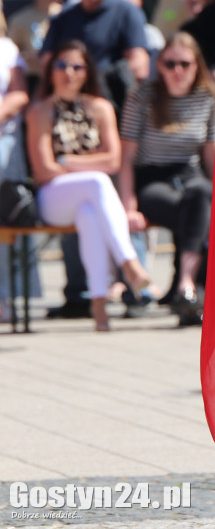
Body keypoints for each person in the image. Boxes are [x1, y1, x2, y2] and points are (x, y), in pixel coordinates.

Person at [39, 0, 150, 318]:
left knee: (119, 196)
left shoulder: (126, 13)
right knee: (89, 202)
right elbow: (44, 61)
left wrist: (93, 84)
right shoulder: (64, 19)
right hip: (65, 121)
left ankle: (134, 293)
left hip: (115, 115)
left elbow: (139, 65)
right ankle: (81, 293)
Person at [25, 40, 151, 331]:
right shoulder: (39, 111)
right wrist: (85, 163)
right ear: (51, 71)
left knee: (90, 214)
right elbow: (44, 170)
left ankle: (98, 302)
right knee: (97, 181)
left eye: (76, 66)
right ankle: (130, 263)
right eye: (61, 65)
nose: (69, 72)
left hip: (88, 197)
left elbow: (114, 160)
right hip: (52, 198)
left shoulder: (101, 107)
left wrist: (66, 161)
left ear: (87, 71)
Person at [118, 32, 215, 326]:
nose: (178, 71)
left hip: (190, 174)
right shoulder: (142, 97)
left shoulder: (207, 97)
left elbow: (209, 156)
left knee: (202, 196)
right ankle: (189, 289)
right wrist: (128, 206)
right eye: (170, 63)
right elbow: (126, 159)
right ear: (159, 66)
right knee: (194, 215)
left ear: (196, 66)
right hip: (151, 177)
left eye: (185, 64)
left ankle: (185, 282)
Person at [40, 0, 150, 110]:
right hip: (71, 108)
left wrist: (99, 83)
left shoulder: (127, 13)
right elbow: (47, 63)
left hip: (115, 106)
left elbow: (140, 65)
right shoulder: (62, 18)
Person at [0, 2, 33, 324]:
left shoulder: (8, 49)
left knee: (6, 223)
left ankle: (4, 297)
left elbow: (19, 94)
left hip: (3, 145)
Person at [7, 0, 66, 84]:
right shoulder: (20, 19)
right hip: (33, 79)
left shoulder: (65, 15)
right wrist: (28, 58)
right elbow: (11, 53)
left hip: (62, 76)